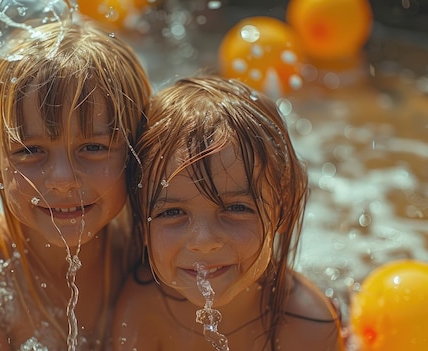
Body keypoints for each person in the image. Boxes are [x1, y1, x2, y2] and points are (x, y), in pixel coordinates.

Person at [0, 18, 151, 350]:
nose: (62, 180)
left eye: (93, 147)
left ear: (137, 153)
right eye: (30, 151)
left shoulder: (151, 246)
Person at [113, 76, 344, 351]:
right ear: (141, 219)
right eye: (172, 212)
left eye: (236, 208)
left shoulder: (308, 327)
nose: (203, 240)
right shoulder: (142, 308)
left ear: (283, 206)